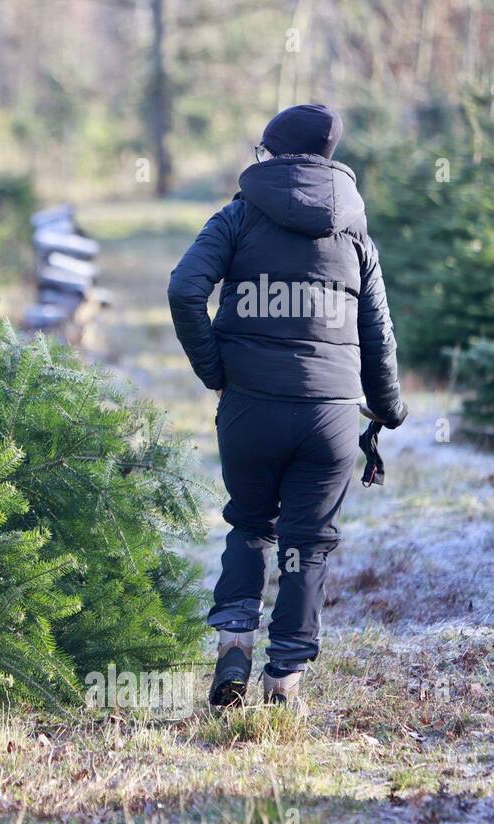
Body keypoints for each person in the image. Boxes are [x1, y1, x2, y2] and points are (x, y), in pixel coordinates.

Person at [167, 104, 407, 710]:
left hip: (251, 409)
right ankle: (284, 683)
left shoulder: (238, 217)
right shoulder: (356, 234)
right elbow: (377, 333)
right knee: (308, 543)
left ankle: (234, 647)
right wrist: (387, 411)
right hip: (330, 415)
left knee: (250, 525)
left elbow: (183, 289)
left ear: (270, 153)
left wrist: (216, 372)